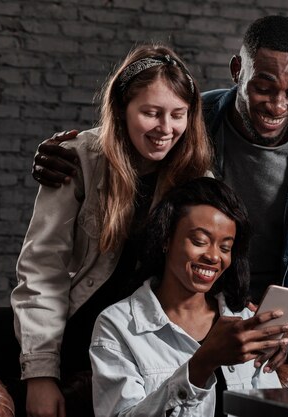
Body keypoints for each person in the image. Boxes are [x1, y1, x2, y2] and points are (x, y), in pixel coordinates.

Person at [30, 15, 288, 370]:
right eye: (263, 88)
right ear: (237, 69)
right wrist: (67, 153)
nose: (277, 105)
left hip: (284, 335)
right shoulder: (195, 118)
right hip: (191, 317)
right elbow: (131, 131)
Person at [12, 44, 212, 417]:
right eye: (151, 113)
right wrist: (40, 375)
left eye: (178, 115)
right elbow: (42, 270)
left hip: (147, 353)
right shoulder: (78, 159)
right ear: (122, 110)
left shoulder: (197, 179)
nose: (165, 129)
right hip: (75, 346)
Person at [90, 177, 288, 417]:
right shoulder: (118, 325)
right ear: (166, 239)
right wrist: (201, 365)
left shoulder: (245, 320)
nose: (214, 257)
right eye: (199, 241)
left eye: (225, 247)